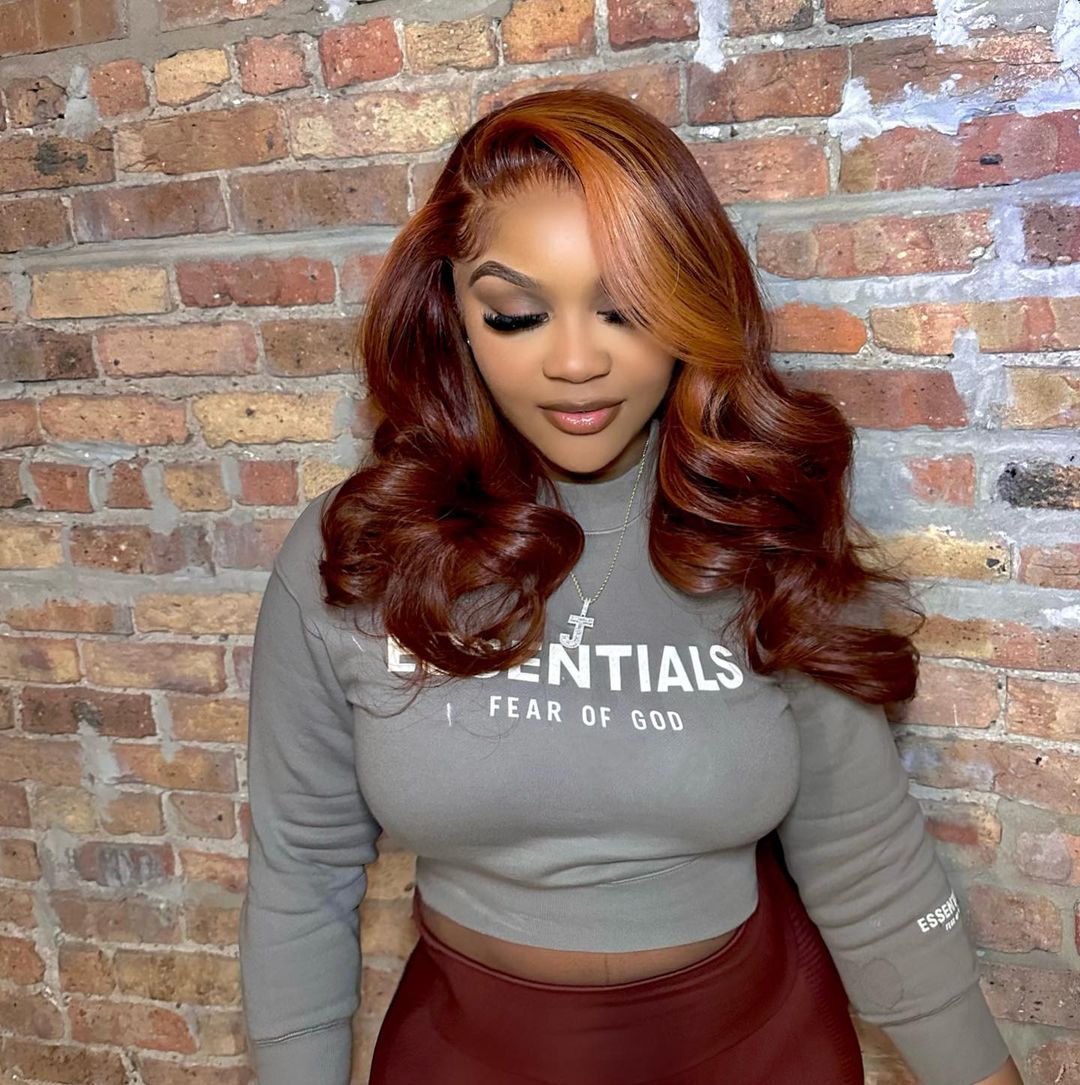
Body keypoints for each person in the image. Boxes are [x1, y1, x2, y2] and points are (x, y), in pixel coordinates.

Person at [238, 88, 1020, 1085]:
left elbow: (864, 856)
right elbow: (301, 871)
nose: (576, 362)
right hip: (466, 1055)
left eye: (628, 307)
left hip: (760, 1050)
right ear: (452, 313)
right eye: (517, 313)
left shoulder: (758, 529)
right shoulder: (355, 554)